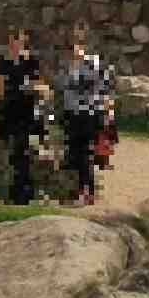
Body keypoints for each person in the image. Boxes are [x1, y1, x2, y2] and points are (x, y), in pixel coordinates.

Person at [0, 26, 46, 207]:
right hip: (9, 113)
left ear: (23, 40)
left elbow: (42, 87)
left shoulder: (31, 61)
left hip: (26, 113)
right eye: (12, 39)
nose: (14, 43)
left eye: (17, 39)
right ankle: (17, 193)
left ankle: (23, 195)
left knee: (21, 151)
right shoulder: (5, 62)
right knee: (14, 153)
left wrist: (31, 87)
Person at [55, 26, 115, 207]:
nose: (76, 48)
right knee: (75, 155)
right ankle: (84, 191)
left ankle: (86, 192)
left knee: (84, 154)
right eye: (72, 45)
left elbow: (103, 89)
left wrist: (107, 115)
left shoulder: (92, 64)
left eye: (79, 44)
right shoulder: (66, 67)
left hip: (89, 115)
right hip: (71, 115)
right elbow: (61, 87)